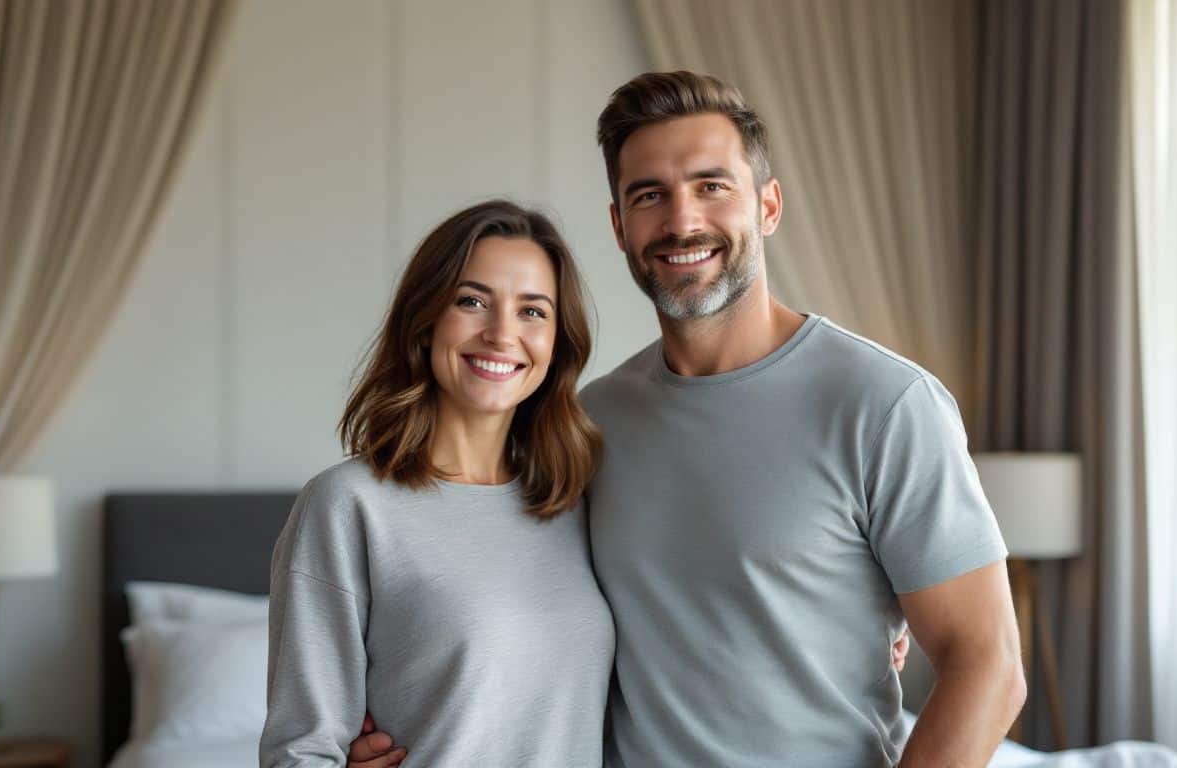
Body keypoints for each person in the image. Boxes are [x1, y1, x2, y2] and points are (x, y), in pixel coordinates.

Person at [349, 72, 1024, 767]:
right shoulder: (587, 424)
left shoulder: (885, 405)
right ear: (618, 225)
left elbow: (989, 665)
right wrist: (393, 735)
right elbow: (493, 618)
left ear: (768, 206)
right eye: (649, 196)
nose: (681, 221)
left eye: (711, 186)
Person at [258, 200, 615, 767]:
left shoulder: (578, 501)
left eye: (532, 311)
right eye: (472, 301)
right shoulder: (348, 506)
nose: (502, 334)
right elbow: (300, 749)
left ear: (557, 342)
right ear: (425, 322)